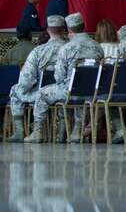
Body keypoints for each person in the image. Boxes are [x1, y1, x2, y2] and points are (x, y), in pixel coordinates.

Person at [23, 12, 104, 143]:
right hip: (91, 93)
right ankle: (77, 130)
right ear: (85, 26)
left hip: (69, 92)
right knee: (80, 91)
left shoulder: (66, 48)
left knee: (42, 94)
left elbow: (59, 77)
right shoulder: (98, 47)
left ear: (69, 30)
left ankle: (37, 132)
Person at [6, 16, 67, 142]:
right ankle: (63, 132)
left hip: (41, 95)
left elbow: (26, 80)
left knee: (15, 90)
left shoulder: (38, 51)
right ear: (63, 30)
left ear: (48, 30)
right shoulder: (70, 49)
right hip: (66, 94)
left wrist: (23, 90)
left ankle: (20, 131)